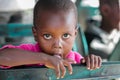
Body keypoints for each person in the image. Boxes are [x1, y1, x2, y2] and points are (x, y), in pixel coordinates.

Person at [0, 0, 102, 79]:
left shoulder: (76, 60)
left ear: (75, 34)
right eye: (47, 36)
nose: (57, 44)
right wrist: (45, 59)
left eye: (65, 35)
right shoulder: (29, 52)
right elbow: (2, 56)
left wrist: (90, 64)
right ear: (35, 34)